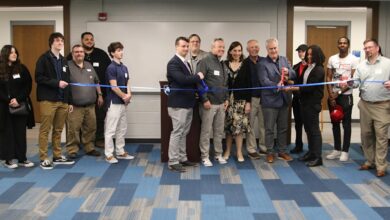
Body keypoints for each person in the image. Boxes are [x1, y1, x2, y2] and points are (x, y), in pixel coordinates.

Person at [35, 32, 74, 170]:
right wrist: (56, 83)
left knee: (58, 130)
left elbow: (68, 81)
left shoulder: (64, 60)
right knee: (45, 130)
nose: (60, 43)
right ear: (51, 43)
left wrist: (69, 101)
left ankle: (57, 156)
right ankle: (43, 158)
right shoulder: (43, 59)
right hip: (48, 100)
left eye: (62, 41)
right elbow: (39, 78)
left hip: (62, 100)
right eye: (57, 41)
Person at [352, 39, 390, 177]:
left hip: (382, 105)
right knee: (366, 135)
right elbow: (355, 83)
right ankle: (370, 161)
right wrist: (350, 82)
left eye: (370, 47)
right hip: (365, 104)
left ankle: (381, 165)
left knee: (381, 136)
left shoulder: (388, 63)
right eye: (365, 48)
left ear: (377, 48)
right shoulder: (361, 66)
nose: (367, 50)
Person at [166, 36, 204, 172]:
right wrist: (198, 76)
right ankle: (173, 161)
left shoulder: (186, 63)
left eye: (187, 46)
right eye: (183, 46)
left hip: (187, 103)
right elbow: (182, 80)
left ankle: (182, 158)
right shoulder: (173, 63)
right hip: (178, 104)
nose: (186, 48)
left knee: (183, 132)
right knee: (177, 132)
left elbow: (188, 81)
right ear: (176, 47)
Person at [67, 32, 111, 149]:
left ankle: (97, 141)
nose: (89, 41)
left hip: (99, 95)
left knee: (97, 120)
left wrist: (101, 94)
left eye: (91, 39)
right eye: (86, 39)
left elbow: (105, 74)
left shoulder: (101, 54)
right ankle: (77, 145)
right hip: (76, 99)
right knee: (76, 124)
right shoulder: (69, 60)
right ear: (82, 41)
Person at [258, 38, 296, 163]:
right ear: (267, 50)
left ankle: (282, 151)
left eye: (275, 48)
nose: (273, 50)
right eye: (271, 48)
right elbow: (264, 81)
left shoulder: (284, 59)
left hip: (284, 100)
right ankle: (270, 152)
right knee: (269, 129)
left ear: (278, 47)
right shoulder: (262, 63)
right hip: (270, 101)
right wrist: (276, 85)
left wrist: (288, 73)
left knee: (283, 128)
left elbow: (294, 74)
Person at [289, 45, 326, 167]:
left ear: (317, 55)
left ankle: (317, 157)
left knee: (314, 131)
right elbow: (301, 82)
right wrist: (289, 82)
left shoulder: (319, 69)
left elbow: (309, 88)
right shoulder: (309, 67)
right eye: (308, 54)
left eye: (311, 54)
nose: (309, 56)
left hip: (312, 104)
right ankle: (311, 152)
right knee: (308, 130)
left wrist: (292, 88)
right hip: (304, 103)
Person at [65, 44, 103, 159]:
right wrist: (67, 102)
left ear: (84, 53)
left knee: (91, 127)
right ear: (72, 54)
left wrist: (100, 95)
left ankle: (89, 148)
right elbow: (64, 85)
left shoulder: (89, 65)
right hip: (75, 105)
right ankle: (72, 150)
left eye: (81, 52)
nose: (79, 54)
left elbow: (96, 81)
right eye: (76, 52)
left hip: (90, 105)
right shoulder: (67, 66)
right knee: (73, 129)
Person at [0, 45, 34, 169]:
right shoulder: (0, 69)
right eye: (11, 52)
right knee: (7, 133)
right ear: (5, 54)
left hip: (20, 105)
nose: (14, 54)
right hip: (4, 106)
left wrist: (18, 99)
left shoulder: (22, 68)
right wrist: (9, 100)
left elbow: (28, 85)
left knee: (20, 132)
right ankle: (8, 159)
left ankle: (22, 158)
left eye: (15, 52)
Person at [325, 37, 359, 162]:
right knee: (334, 123)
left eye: (344, 43)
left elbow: (353, 80)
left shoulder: (354, 60)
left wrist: (338, 93)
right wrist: (330, 94)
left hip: (345, 96)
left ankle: (345, 151)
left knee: (346, 124)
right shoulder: (332, 59)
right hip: (333, 96)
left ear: (348, 45)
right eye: (340, 43)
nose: (342, 44)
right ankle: (336, 149)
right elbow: (328, 77)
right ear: (337, 45)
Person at [198, 38, 229, 167]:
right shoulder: (205, 61)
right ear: (212, 48)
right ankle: (204, 156)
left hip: (221, 104)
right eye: (219, 47)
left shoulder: (222, 63)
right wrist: (204, 99)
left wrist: (226, 98)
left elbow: (225, 84)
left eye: (223, 47)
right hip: (209, 104)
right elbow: (199, 82)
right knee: (206, 131)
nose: (221, 49)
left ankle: (218, 154)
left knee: (219, 131)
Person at [104, 42, 134, 164]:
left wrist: (129, 94)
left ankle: (120, 151)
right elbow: (114, 87)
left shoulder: (124, 67)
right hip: (114, 102)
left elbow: (128, 82)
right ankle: (109, 154)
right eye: (118, 50)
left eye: (121, 50)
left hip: (123, 103)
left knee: (122, 128)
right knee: (111, 130)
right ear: (112, 53)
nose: (121, 52)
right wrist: (124, 97)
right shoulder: (111, 68)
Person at [222, 41, 251, 162]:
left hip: (241, 101)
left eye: (239, 50)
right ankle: (227, 151)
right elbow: (222, 83)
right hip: (227, 101)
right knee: (229, 128)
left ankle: (239, 152)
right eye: (234, 50)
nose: (237, 53)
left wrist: (248, 102)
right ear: (230, 51)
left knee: (239, 129)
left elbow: (250, 84)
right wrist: (225, 99)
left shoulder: (246, 64)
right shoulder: (223, 64)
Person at [245, 39, 266, 160]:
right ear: (248, 49)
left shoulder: (264, 61)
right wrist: (247, 102)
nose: (254, 49)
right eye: (252, 47)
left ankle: (263, 147)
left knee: (264, 125)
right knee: (250, 125)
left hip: (264, 98)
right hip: (251, 99)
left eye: (256, 47)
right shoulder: (244, 63)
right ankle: (251, 149)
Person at [290, 44, 308, 154]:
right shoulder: (295, 67)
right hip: (296, 99)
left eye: (303, 51)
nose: (301, 53)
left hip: (307, 100)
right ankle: (298, 145)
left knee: (308, 125)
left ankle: (312, 148)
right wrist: (286, 79)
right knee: (297, 124)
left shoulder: (311, 67)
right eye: (299, 52)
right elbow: (292, 81)